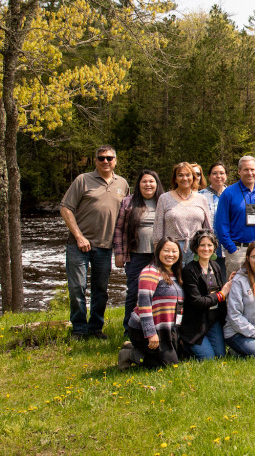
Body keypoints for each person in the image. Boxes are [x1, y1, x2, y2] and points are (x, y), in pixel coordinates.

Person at [59, 144, 129, 340]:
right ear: (95, 161)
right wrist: (79, 236)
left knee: (101, 290)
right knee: (76, 287)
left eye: (109, 158)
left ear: (115, 160)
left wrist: (121, 248)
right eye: (101, 158)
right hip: (78, 244)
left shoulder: (122, 184)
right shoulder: (82, 180)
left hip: (105, 246)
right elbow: (66, 208)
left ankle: (95, 328)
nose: (105, 161)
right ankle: (79, 329)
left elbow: (124, 216)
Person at [113, 169, 164, 335]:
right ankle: (129, 329)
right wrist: (119, 253)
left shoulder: (163, 201)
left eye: (151, 181)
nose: (148, 185)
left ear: (157, 184)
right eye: (144, 182)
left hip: (160, 256)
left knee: (158, 291)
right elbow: (119, 228)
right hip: (135, 255)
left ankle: (155, 327)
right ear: (138, 184)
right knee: (134, 291)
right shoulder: (129, 202)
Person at [122, 238, 183, 369]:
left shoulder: (176, 273)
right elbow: (144, 306)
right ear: (158, 252)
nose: (170, 255)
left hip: (166, 328)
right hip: (144, 329)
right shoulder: (150, 272)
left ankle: (134, 347)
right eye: (166, 251)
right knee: (166, 366)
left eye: (174, 251)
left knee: (179, 357)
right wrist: (151, 334)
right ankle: (129, 354)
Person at [214, 156, 255, 275]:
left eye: (252, 169)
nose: (250, 173)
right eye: (246, 170)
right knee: (235, 288)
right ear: (239, 171)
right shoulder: (228, 193)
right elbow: (221, 224)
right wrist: (231, 248)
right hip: (237, 250)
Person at [181, 229, 231, 360]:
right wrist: (221, 295)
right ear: (196, 248)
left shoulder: (215, 266)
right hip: (195, 322)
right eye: (202, 245)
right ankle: (183, 345)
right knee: (208, 358)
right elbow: (197, 302)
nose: (206, 248)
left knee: (220, 356)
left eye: (209, 245)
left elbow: (221, 289)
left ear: (214, 247)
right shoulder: (189, 270)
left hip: (213, 319)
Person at [154, 161, 213, 265]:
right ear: (175, 179)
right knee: (173, 280)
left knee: (194, 280)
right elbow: (158, 229)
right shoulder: (164, 198)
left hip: (197, 249)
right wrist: (158, 253)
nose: (184, 178)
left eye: (188, 175)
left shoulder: (202, 199)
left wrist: (208, 249)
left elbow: (208, 229)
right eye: (180, 175)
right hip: (171, 250)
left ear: (193, 177)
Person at [199, 162, 228, 269]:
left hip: (230, 247)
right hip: (208, 246)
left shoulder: (232, 194)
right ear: (209, 177)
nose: (218, 176)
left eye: (222, 173)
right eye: (215, 173)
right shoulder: (200, 195)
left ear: (226, 176)